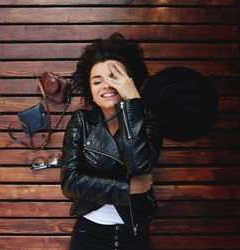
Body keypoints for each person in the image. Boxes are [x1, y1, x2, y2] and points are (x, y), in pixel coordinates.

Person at [60, 33, 163, 250]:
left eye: (114, 77)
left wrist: (132, 102)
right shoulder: (81, 122)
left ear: (129, 81)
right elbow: (71, 183)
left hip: (134, 233)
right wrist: (127, 188)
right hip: (88, 234)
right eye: (97, 81)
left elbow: (139, 165)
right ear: (90, 90)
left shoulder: (148, 119)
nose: (106, 85)